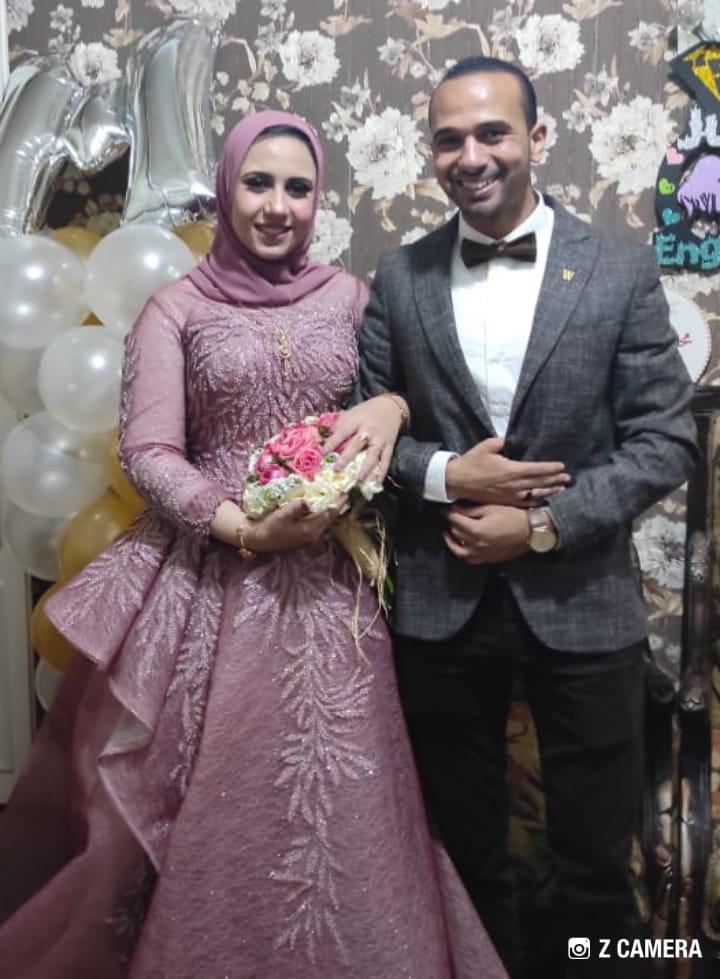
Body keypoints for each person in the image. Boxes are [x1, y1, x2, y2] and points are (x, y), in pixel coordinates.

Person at [0, 111, 507, 978]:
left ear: (319, 199)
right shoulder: (176, 307)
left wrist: (390, 406)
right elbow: (148, 451)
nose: (278, 205)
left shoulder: (354, 299)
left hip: (337, 589)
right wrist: (239, 524)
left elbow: (413, 399)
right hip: (212, 583)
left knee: (348, 793)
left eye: (298, 188)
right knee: (210, 796)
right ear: (227, 187)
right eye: (258, 183)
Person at [354, 57, 698, 979]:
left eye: (492, 132)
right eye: (449, 139)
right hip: (440, 609)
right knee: (465, 865)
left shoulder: (619, 266)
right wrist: (444, 475)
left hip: (584, 605)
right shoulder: (400, 275)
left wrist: (542, 525)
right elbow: (363, 427)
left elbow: (667, 440)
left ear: (537, 138)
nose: (470, 155)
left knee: (599, 869)